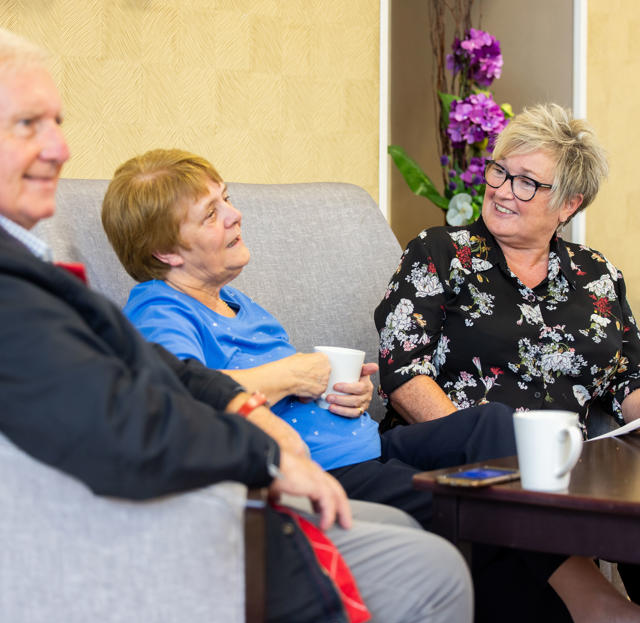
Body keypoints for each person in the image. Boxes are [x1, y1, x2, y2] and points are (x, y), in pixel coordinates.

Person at [0, 27, 474, 623]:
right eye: (27, 124)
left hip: (285, 466)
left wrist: (244, 401)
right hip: (180, 519)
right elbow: (121, 419)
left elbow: (159, 371)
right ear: (167, 250)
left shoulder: (29, 264)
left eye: (57, 121)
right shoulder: (24, 289)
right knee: (436, 564)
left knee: (443, 497)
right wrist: (266, 452)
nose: (61, 147)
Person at [100, 147, 519, 533]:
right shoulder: (159, 311)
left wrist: (346, 394)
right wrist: (293, 375)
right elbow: (175, 398)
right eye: (211, 214)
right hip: (326, 473)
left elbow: (295, 390)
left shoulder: (237, 303)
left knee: (492, 424)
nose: (234, 215)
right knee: (481, 504)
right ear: (165, 252)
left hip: (368, 447)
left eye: (226, 198)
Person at [375, 103, 640, 623]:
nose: (501, 190)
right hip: (475, 467)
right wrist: (496, 466)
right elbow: (403, 373)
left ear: (569, 203)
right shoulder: (440, 254)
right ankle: (593, 601)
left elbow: (628, 381)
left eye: (526, 183)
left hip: (575, 474)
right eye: (499, 171)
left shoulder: (597, 275)